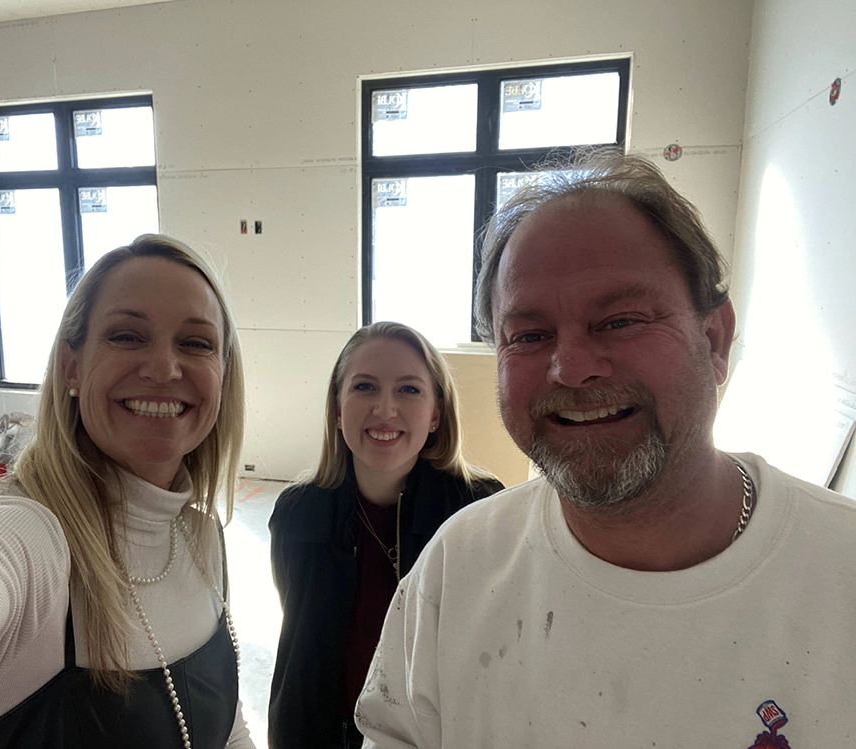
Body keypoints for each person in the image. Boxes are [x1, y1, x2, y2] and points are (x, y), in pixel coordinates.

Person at [354, 152, 856, 747]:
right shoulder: (457, 568)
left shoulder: (838, 573)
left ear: (715, 339)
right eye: (530, 335)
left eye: (620, 320)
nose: (571, 369)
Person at [0, 235, 256, 749]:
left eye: (196, 343)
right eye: (127, 336)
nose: (163, 368)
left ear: (223, 375)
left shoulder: (202, 537)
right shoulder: (19, 536)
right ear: (71, 366)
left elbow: (228, 727)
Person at [267, 322, 504, 749]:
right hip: (319, 730)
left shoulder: (479, 511)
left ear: (436, 414)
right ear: (337, 409)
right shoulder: (296, 513)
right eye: (364, 387)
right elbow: (299, 628)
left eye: (409, 390)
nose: (385, 410)